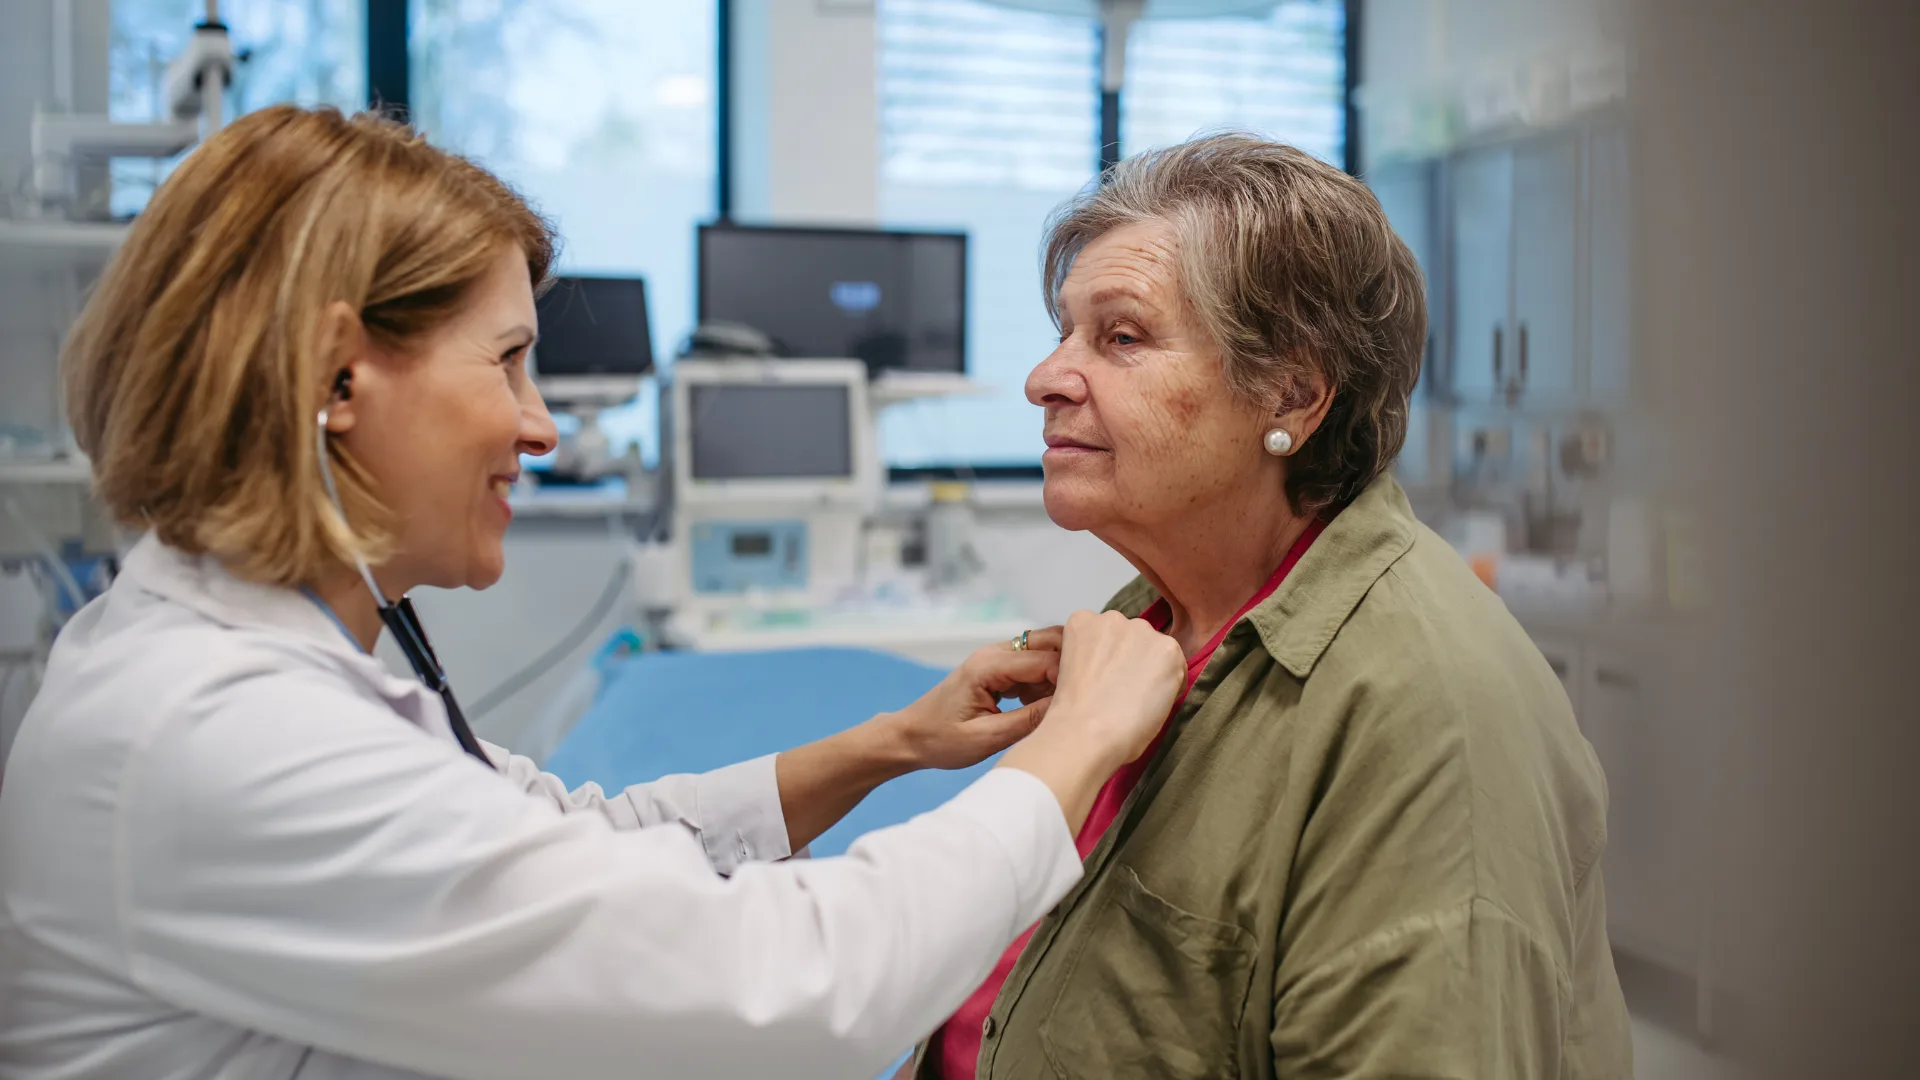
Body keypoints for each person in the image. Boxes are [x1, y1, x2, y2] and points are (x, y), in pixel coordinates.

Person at [0, 105, 1187, 1080]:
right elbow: (788, 987)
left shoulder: (236, 665)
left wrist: (890, 745)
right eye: (509, 361)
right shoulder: (219, 733)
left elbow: (570, 841)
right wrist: (1070, 750)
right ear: (337, 377)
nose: (541, 426)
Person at [911, 134, 1633, 1079]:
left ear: (1291, 395)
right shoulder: (1162, 613)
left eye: (1121, 337)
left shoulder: (1426, 715)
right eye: (1064, 331)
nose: (1044, 378)